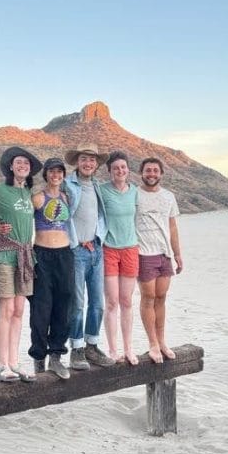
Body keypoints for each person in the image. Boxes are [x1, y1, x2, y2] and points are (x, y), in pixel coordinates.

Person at [0, 146, 42, 382]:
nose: (22, 166)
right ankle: (3, 365)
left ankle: (14, 361)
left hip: (26, 254)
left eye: (26, 163)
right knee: (7, 309)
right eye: (18, 162)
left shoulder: (29, 193)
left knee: (20, 310)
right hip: (5, 254)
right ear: (11, 167)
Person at [63, 143, 116, 370]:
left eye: (92, 160)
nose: (88, 163)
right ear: (77, 161)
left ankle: (91, 346)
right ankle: (76, 349)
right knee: (77, 303)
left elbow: (100, 215)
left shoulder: (96, 186)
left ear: (97, 164)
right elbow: (60, 214)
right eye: (84, 159)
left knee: (98, 303)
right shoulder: (67, 184)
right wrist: (74, 243)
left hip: (96, 249)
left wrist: (99, 237)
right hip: (76, 251)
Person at [29, 157, 74, 379]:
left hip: (64, 255)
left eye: (59, 172)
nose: (56, 175)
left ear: (63, 175)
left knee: (64, 306)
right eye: (52, 172)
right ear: (46, 174)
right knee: (41, 307)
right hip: (42, 255)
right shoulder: (38, 198)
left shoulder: (66, 197)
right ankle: (39, 358)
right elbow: (19, 218)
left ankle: (56, 356)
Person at [136, 157, 183, 364]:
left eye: (155, 170)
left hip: (165, 254)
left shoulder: (168, 196)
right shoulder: (134, 194)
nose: (152, 174)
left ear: (161, 173)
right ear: (141, 172)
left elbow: (172, 226)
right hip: (144, 253)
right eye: (148, 170)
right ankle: (153, 343)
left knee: (161, 297)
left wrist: (177, 254)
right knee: (148, 297)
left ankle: (162, 341)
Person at [99, 150, 139, 365]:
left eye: (123, 167)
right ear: (110, 171)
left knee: (126, 301)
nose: (120, 171)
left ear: (128, 170)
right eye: (115, 168)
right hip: (109, 249)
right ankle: (113, 350)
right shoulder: (102, 190)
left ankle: (129, 349)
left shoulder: (135, 192)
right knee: (112, 301)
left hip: (131, 249)